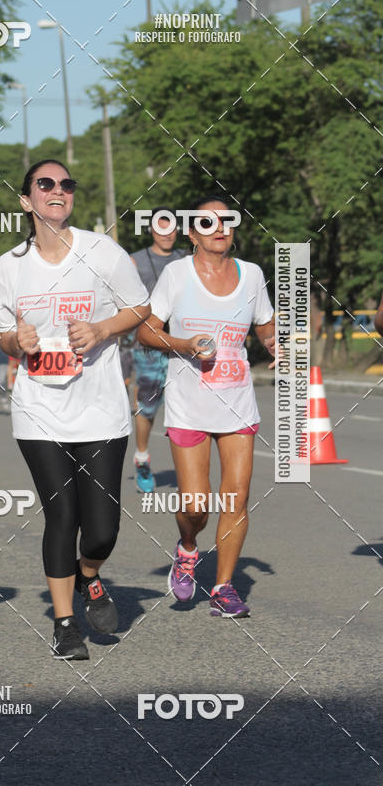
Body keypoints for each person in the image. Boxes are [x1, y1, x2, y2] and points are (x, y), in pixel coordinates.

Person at [0, 159, 150, 660]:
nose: (57, 191)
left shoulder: (102, 250)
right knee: (61, 515)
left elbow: (140, 306)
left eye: (66, 184)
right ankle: (64, 624)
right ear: (26, 200)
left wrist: (102, 330)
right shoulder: (8, 267)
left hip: (101, 408)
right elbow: (4, 337)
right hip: (39, 410)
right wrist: (19, 339)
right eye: (45, 184)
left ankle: (89, 574)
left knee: (101, 529)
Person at [138, 197, 275, 618]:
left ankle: (223, 586)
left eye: (226, 221)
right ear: (192, 234)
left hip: (237, 403)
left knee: (236, 497)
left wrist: (275, 343)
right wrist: (183, 345)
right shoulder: (177, 275)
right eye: (207, 223)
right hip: (189, 404)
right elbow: (146, 331)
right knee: (195, 505)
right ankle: (188, 548)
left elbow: (264, 323)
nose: (220, 227)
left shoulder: (251, 275)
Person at [131, 210, 187, 492]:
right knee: (149, 407)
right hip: (148, 345)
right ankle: (142, 457)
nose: (167, 234)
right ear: (151, 231)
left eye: (171, 229)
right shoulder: (135, 261)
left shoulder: (186, 260)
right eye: (160, 229)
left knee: (187, 404)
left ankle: (190, 466)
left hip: (184, 343)